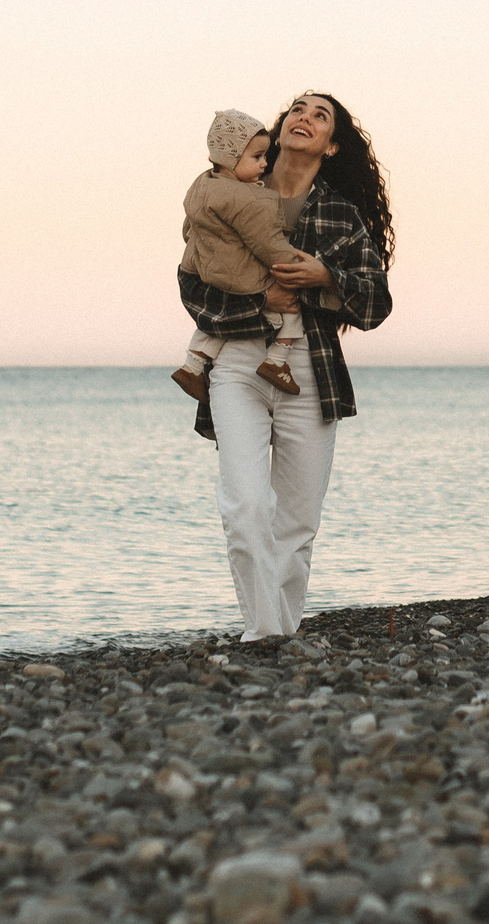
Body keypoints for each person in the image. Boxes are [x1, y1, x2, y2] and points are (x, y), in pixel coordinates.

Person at [177, 91, 394, 640]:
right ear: (278, 131)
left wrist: (327, 280)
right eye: (298, 108)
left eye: (321, 115)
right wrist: (258, 306)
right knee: (245, 504)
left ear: (331, 144)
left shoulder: (340, 214)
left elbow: (376, 304)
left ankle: (282, 630)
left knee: (297, 522)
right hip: (236, 363)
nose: (306, 117)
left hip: (309, 370)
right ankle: (263, 631)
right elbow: (191, 284)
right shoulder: (226, 193)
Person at [171, 110, 304, 404]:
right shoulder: (250, 199)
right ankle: (277, 361)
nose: (265, 163)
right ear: (230, 159)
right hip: (241, 276)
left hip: (201, 270)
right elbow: (268, 243)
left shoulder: (201, 184)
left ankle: (193, 365)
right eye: (257, 157)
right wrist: (294, 270)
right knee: (290, 311)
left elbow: (187, 230)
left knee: (220, 323)